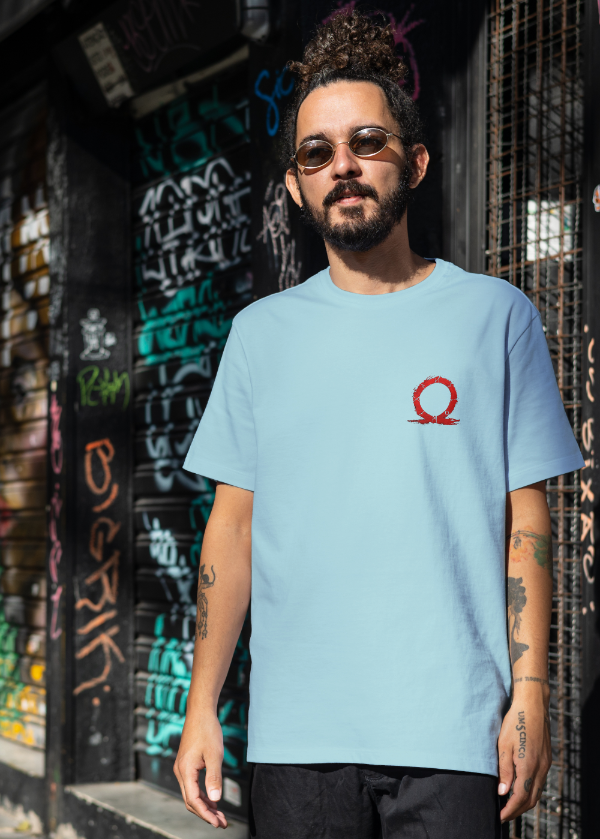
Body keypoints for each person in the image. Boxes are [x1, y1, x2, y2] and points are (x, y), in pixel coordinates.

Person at [173, 12, 583, 838]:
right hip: (298, 741)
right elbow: (233, 527)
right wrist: (201, 707)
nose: (344, 166)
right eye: (317, 153)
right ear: (296, 186)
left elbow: (526, 523)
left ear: (417, 162)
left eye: (367, 141)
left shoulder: (494, 316)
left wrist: (532, 695)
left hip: (456, 735)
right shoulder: (260, 333)